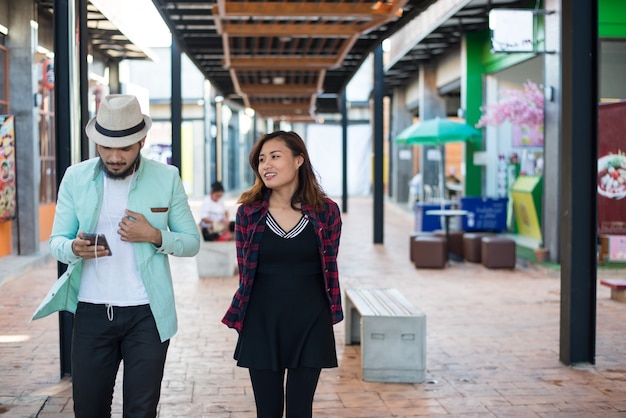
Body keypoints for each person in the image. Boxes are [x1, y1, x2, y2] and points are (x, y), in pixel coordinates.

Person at [31, 94, 201, 418]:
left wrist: (154, 235)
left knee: (141, 410)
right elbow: (57, 241)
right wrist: (73, 248)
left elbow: (191, 242)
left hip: (147, 314)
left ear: (142, 140)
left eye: (124, 148)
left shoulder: (167, 178)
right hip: (92, 312)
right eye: (106, 147)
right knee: (89, 409)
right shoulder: (76, 177)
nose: (114, 156)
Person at [222, 130, 343, 418]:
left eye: (275, 156)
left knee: (301, 410)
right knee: (268, 411)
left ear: (299, 159)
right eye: (262, 160)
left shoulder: (327, 212)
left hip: (311, 321)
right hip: (262, 321)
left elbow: (329, 264)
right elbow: (245, 274)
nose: (266, 165)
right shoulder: (248, 214)